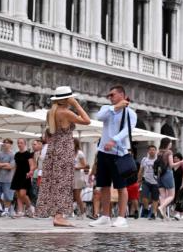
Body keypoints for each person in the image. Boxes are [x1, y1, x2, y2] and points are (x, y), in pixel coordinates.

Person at [34, 88, 92, 227]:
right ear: (67, 99)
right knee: (63, 183)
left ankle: (56, 214)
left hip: (53, 148)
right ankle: (59, 216)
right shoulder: (66, 113)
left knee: (53, 182)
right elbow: (87, 120)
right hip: (64, 149)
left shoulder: (51, 112)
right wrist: (76, 105)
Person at [90, 85, 137, 228]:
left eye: (113, 95)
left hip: (119, 153)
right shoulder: (107, 109)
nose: (110, 97)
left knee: (121, 186)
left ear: (122, 95)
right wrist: (115, 107)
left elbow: (127, 130)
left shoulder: (130, 113)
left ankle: (121, 217)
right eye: (109, 95)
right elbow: (99, 117)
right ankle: (105, 215)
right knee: (104, 185)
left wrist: (114, 140)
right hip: (103, 152)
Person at [155, 138, 183, 219]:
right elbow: (171, 165)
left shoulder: (159, 152)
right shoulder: (169, 152)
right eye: (170, 142)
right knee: (171, 196)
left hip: (159, 175)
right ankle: (161, 207)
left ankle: (163, 215)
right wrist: (181, 162)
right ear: (167, 143)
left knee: (162, 196)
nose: (171, 144)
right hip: (167, 174)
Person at [10, 137, 35, 218]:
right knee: (18, 195)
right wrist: (13, 176)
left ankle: (30, 206)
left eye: (21, 143)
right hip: (17, 175)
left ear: (25, 144)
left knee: (22, 194)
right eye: (18, 143)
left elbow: (32, 165)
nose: (19, 144)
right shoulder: (16, 154)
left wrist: (30, 171)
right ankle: (20, 211)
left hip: (26, 175)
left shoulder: (28, 154)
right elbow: (16, 166)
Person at [0, 138, 16, 217]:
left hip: (8, 179)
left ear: (11, 144)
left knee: (8, 196)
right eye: (4, 142)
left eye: (7, 143)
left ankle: (6, 210)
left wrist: (0, 165)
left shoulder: (13, 155)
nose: (5, 144)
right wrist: (5, 164)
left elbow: (10, 166)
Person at [138, 144, 161, 220]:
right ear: (148, 151)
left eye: (153, 150)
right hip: (146, 180)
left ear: (156, 151)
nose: (152, 151)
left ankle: (153, 213)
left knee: (155, 198)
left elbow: (161, 171)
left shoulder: (158, 160)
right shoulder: (144, 160)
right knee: (144, 197)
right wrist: (139, 180)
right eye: (150, 150)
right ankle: (146, 209)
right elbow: (141, 170)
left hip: (156, 182)